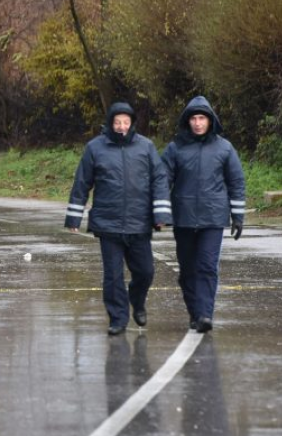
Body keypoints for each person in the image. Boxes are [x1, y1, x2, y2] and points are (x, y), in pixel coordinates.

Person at [65, 102, 171, 336]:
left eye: (126, 122)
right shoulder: (95, 148)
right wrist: (74, 217)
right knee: (112, 276)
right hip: (108, 223)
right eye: (117, 122)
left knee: (145, 272)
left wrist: (161, 215)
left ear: (132, 123)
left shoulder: (146, 147)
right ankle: (118, 319)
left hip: (139, 223)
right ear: (110, 123)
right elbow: (82, 182)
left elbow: (159, 180)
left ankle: (137, 299)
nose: (122, 126)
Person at [161, 96, 245, 333]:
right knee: (187, 269)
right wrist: (159, 212)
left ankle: (205, 314)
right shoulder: (175, 148)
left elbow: (236, 182)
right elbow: (162, 180)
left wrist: (238, 216)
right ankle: (194, 312)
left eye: (202, 118)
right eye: (194, 119)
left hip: (213, 218)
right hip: (184, 218)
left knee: (207, 266)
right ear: (188, 121)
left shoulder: (225, 148)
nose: (198, 123)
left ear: (210, 121)